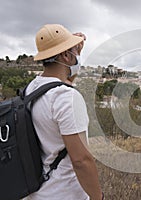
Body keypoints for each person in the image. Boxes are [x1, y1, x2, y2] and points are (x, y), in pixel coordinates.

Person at [25, 24, 103, 200]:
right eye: (74, 50)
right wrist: (98, 197)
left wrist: (76, 53)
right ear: (66, 56)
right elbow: (81, 160)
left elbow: (61, 82)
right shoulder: (67, 98)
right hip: (65, 194)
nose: (78, 55)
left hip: (37, 193)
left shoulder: (33, 87)